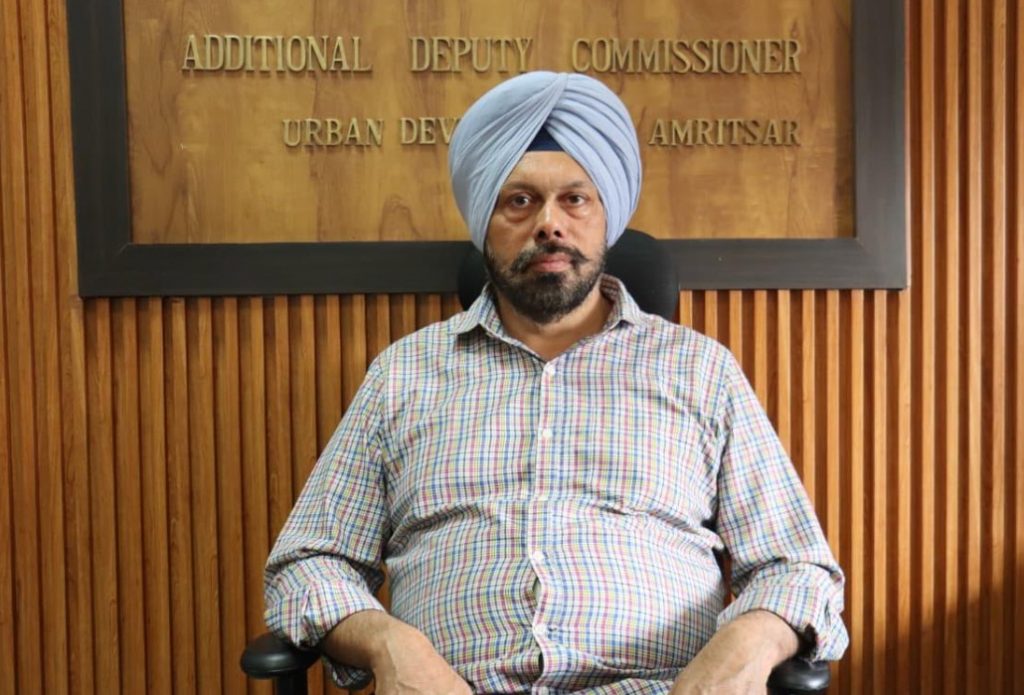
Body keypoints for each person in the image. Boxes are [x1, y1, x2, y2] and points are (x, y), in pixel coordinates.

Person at [264, 71, 848, 695]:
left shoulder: (699, 371)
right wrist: (390, 645)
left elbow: (797, 567)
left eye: (575, 199)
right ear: (484, 223)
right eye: (519, 201)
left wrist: (747, 644)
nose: (550, 223)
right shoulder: (403, 374)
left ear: (605, 217)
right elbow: (308, 562)